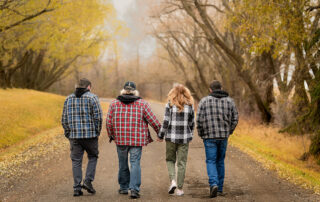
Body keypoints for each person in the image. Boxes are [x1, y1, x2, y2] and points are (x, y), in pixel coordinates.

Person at [106, 81, 161, 199]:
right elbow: (153, 120)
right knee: (135, 162)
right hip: (137, 139)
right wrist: (159, 133)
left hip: (120, 139)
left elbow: (109, 122)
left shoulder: (114, 103)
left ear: (123, 90)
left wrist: (111, 135)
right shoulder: (142, 104)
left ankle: (124, 187)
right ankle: (134, 189)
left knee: (122, 163)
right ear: (135, 91)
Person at [196, 80, 238, 198]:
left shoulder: (204, 101)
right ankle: (219, 188)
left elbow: (199, 119)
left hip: (209, 136)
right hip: (223, 136)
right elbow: (235, 118)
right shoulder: (230, 101)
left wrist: (201, 133)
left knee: (211, 160)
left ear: (210, 90)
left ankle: (213, 184)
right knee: (220, 161)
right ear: (221, 88)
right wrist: (229, 131)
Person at [61, 78, 102, 197]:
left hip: (74, 136)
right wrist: (97, 132)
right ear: (88, 87)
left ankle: (77, 188)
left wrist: (68, 133)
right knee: (93, 156)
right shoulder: (92, 97)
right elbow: (98, 117)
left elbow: (64, 119)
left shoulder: (68, 99)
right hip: (90, 136)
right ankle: (88, 181)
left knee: (76, 161)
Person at [157, 84, 195, 196]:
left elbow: (165, 122)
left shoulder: (169, 104)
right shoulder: (190, 105)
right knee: (182, 163)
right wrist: (190, 134)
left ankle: (173, 181)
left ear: (173, 92)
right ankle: (179, 189)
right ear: (186, 92)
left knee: (170, 160)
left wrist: (160, 135)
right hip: (184, 138)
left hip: (171, 138)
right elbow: (192, 123)